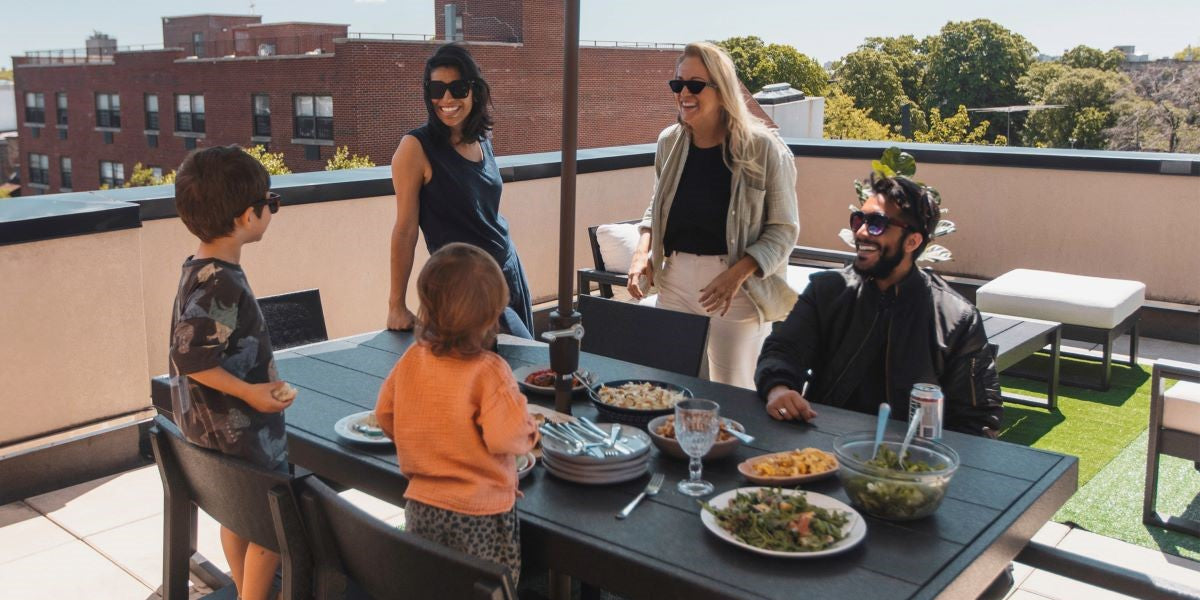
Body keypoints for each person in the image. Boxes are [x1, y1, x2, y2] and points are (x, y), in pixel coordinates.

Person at [754, 157, 1004, 437]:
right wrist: (779, 389)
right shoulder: (827, 290)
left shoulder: (957, 318)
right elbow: (783, 350)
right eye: (858, 220)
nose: (860, 232)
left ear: (912, 241)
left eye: (876, 224)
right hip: (823, 447)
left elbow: (979, 419)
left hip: (908, 462)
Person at [627, 41, 800, 389]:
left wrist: (736, 275)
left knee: (733, 392)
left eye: (695, 85)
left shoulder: (762, 148)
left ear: (721, 90)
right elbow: (657, 203)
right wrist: (640, 251)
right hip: (674, 279)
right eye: (678, 84)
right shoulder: (669, 142)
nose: (684, 93)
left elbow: (783, 229)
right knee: (668, 388)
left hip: (734, 288)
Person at [168, 145, 296, 600]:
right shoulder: (223, 281)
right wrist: (253, 394)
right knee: (270, 532)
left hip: (210, 428)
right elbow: (193, 357)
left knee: (236, 516)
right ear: (247, 217)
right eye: (271, 203)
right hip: (240, 430)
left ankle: (245, 591)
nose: (272, 210)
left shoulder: (198, 269)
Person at [375, 242, 539, 585]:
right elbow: (506, 436)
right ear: (490, 317)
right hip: (481, 515)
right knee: (489, 590)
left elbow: (385, 414)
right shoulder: (490, 371)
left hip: (422, 507)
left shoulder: (411, 360)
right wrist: (530, 430)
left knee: (434, 589)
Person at [388, 43, 533, 339]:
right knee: (524, 362)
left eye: (457, 87)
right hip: (466, 288)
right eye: (437, 89)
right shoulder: (415, 148)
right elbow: (405, 231)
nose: (447, 98)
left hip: (508, 269)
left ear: (474, 90)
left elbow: (484, 211)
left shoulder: (481, 139)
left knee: (522, 377)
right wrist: (396, 305)